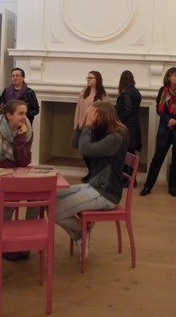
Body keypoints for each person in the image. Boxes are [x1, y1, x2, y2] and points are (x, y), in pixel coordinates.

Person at [56, 101, 127, 258]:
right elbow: (75, 144)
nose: (91, 119)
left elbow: (85, 149)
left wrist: (88, 125)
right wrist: (81, 124)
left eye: (93, 116)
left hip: (106, 194)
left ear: (102, 117)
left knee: (55, 211)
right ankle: (82, 233)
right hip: (94, 186)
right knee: (51, 199)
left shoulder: (116, 137)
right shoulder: (102, 132)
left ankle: (81, 233)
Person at [0, 99, 36, 261]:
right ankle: (3, 244)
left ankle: (27, 241)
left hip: (18, 174)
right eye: (20, 113)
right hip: (3, 175)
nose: (24, 117)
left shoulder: (27, 130)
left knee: (37, 197)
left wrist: (20, 138)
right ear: (9, 115)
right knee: (11, 197)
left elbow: (24, 161)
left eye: (25, 113)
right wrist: (16, 164)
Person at [140, 67, 176, 197]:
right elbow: (159, 109)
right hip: (165, 128)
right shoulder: (162, 90)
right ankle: (148, 186)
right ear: (168, 77)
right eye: (174, 75)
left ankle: (173, 187)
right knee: (157, 158)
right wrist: (168, 119)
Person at [73, 71, 109, 182]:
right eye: (87, 78)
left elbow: (106, 112)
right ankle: (91, 171)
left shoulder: (103, 95)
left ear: (97, 80)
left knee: (92, 151)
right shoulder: (83, 92)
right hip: (82, 126)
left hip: (95, 128)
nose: (88, 79)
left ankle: (93, 173)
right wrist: (76, 124)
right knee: (83, 150)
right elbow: (78, 109)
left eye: (91, 78)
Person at [116, 70, 141, 187]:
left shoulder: (126, 94)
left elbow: (127, 110)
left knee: (125, 154)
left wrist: (118, 121)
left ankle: (128, 180)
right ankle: (132, 179)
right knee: (131, 153)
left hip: (127, 127)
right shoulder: (136, 92)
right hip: (134, 126)